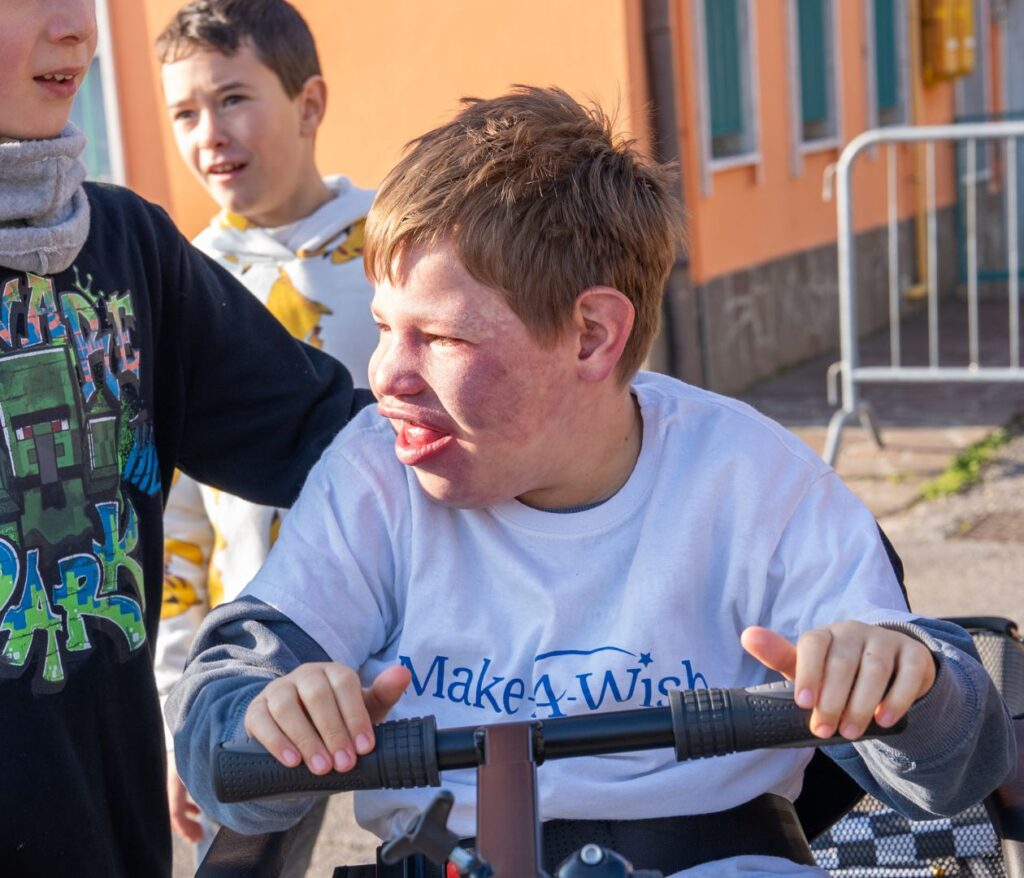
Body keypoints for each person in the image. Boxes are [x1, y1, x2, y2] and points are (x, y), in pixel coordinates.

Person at [168, 87, 1016, 877]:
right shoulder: (372, 470)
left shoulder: (754, 481)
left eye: (442, 338)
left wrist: (902, 683)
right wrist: (263, 718)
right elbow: (220, 718)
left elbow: (954, 766)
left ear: (591, 335)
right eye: (387, 326)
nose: (386, 374)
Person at [0, 2, 372, 877]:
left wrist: (610, 445)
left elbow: (336, 440)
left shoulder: (132, 251)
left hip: (113, 843)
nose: (78, 32)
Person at [152, 1, 378, 868]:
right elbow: (176, 527)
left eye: (234, 97)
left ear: (310, 104)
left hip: (412, 642)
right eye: (183, 112)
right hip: (260, 667)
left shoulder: (406, 250)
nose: (209, 133)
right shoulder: (175, 284)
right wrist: (179, 704)